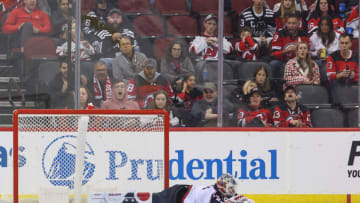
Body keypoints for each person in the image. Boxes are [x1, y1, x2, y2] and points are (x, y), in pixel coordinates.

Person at [270, 14, 309, 78]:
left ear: (299, 24)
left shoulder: (304, 34)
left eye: (294, 23)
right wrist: (286, 51)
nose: (291, 26)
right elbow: (274, 54)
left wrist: (300, 51)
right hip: (283, 61)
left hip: (300, 62)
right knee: (274, 63)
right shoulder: (279, 34)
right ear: (286, 24)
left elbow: (308, 52)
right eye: (289, 23)